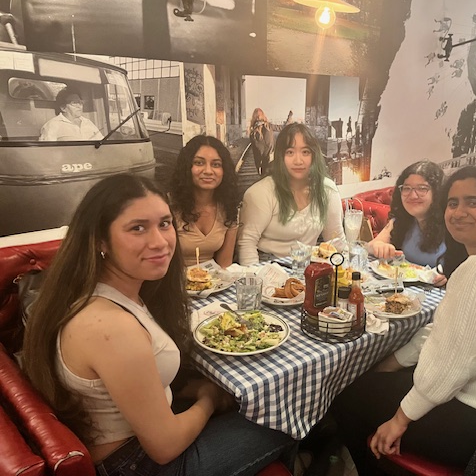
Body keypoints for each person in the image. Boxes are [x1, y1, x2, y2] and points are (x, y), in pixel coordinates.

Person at [22, 174, 294, 475]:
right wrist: (209, 400)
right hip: (136, 463)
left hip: (141, 436)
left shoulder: (102, 291)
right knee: (285, 415)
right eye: (138, 228)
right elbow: (164, 447)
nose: (160, 241)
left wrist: (192, 389)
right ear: (101, 240)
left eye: (165, 223)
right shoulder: (111, 327)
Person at [332, 166, 476, 473]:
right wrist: (394, 361)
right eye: (453, 203)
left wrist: (400, 420)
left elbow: (452, 366)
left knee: (348, 396)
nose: (459, 212)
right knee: (375, 379)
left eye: (473, 202)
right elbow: (445, 333)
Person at [237, 123, 345, 265]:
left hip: (308, 266)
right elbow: (246, 243)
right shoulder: (260, 193)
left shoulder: (327, 190)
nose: (298, 161)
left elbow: (336, 242)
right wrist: (257, 281)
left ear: (314, 155)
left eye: (305, 152)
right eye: (290, 152)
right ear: (280, 156)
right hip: (268, 267)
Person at [170, 135, 239, 268]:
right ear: (187, 167)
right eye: (199, 163)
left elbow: (224, 265)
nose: (208, 171)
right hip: (172, 283)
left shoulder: (228, 207)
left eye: (216, 164)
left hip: (211, 283)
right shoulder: (169, 207)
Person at [366, 160, 447, 274]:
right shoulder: (400, 221)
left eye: (422, 188)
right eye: (407, 188)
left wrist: (449, 276)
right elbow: (369, 247)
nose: (413, 195)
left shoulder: (452, 225)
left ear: (437, 193)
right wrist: (379, 246)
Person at [249, 108, 293, 176]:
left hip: (263, 164)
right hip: (273, 160)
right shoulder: (269, 126)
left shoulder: (252, 134)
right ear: (263, 116)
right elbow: (285, 127)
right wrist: (290, 116)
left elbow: (256, 154)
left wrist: (258, 167)